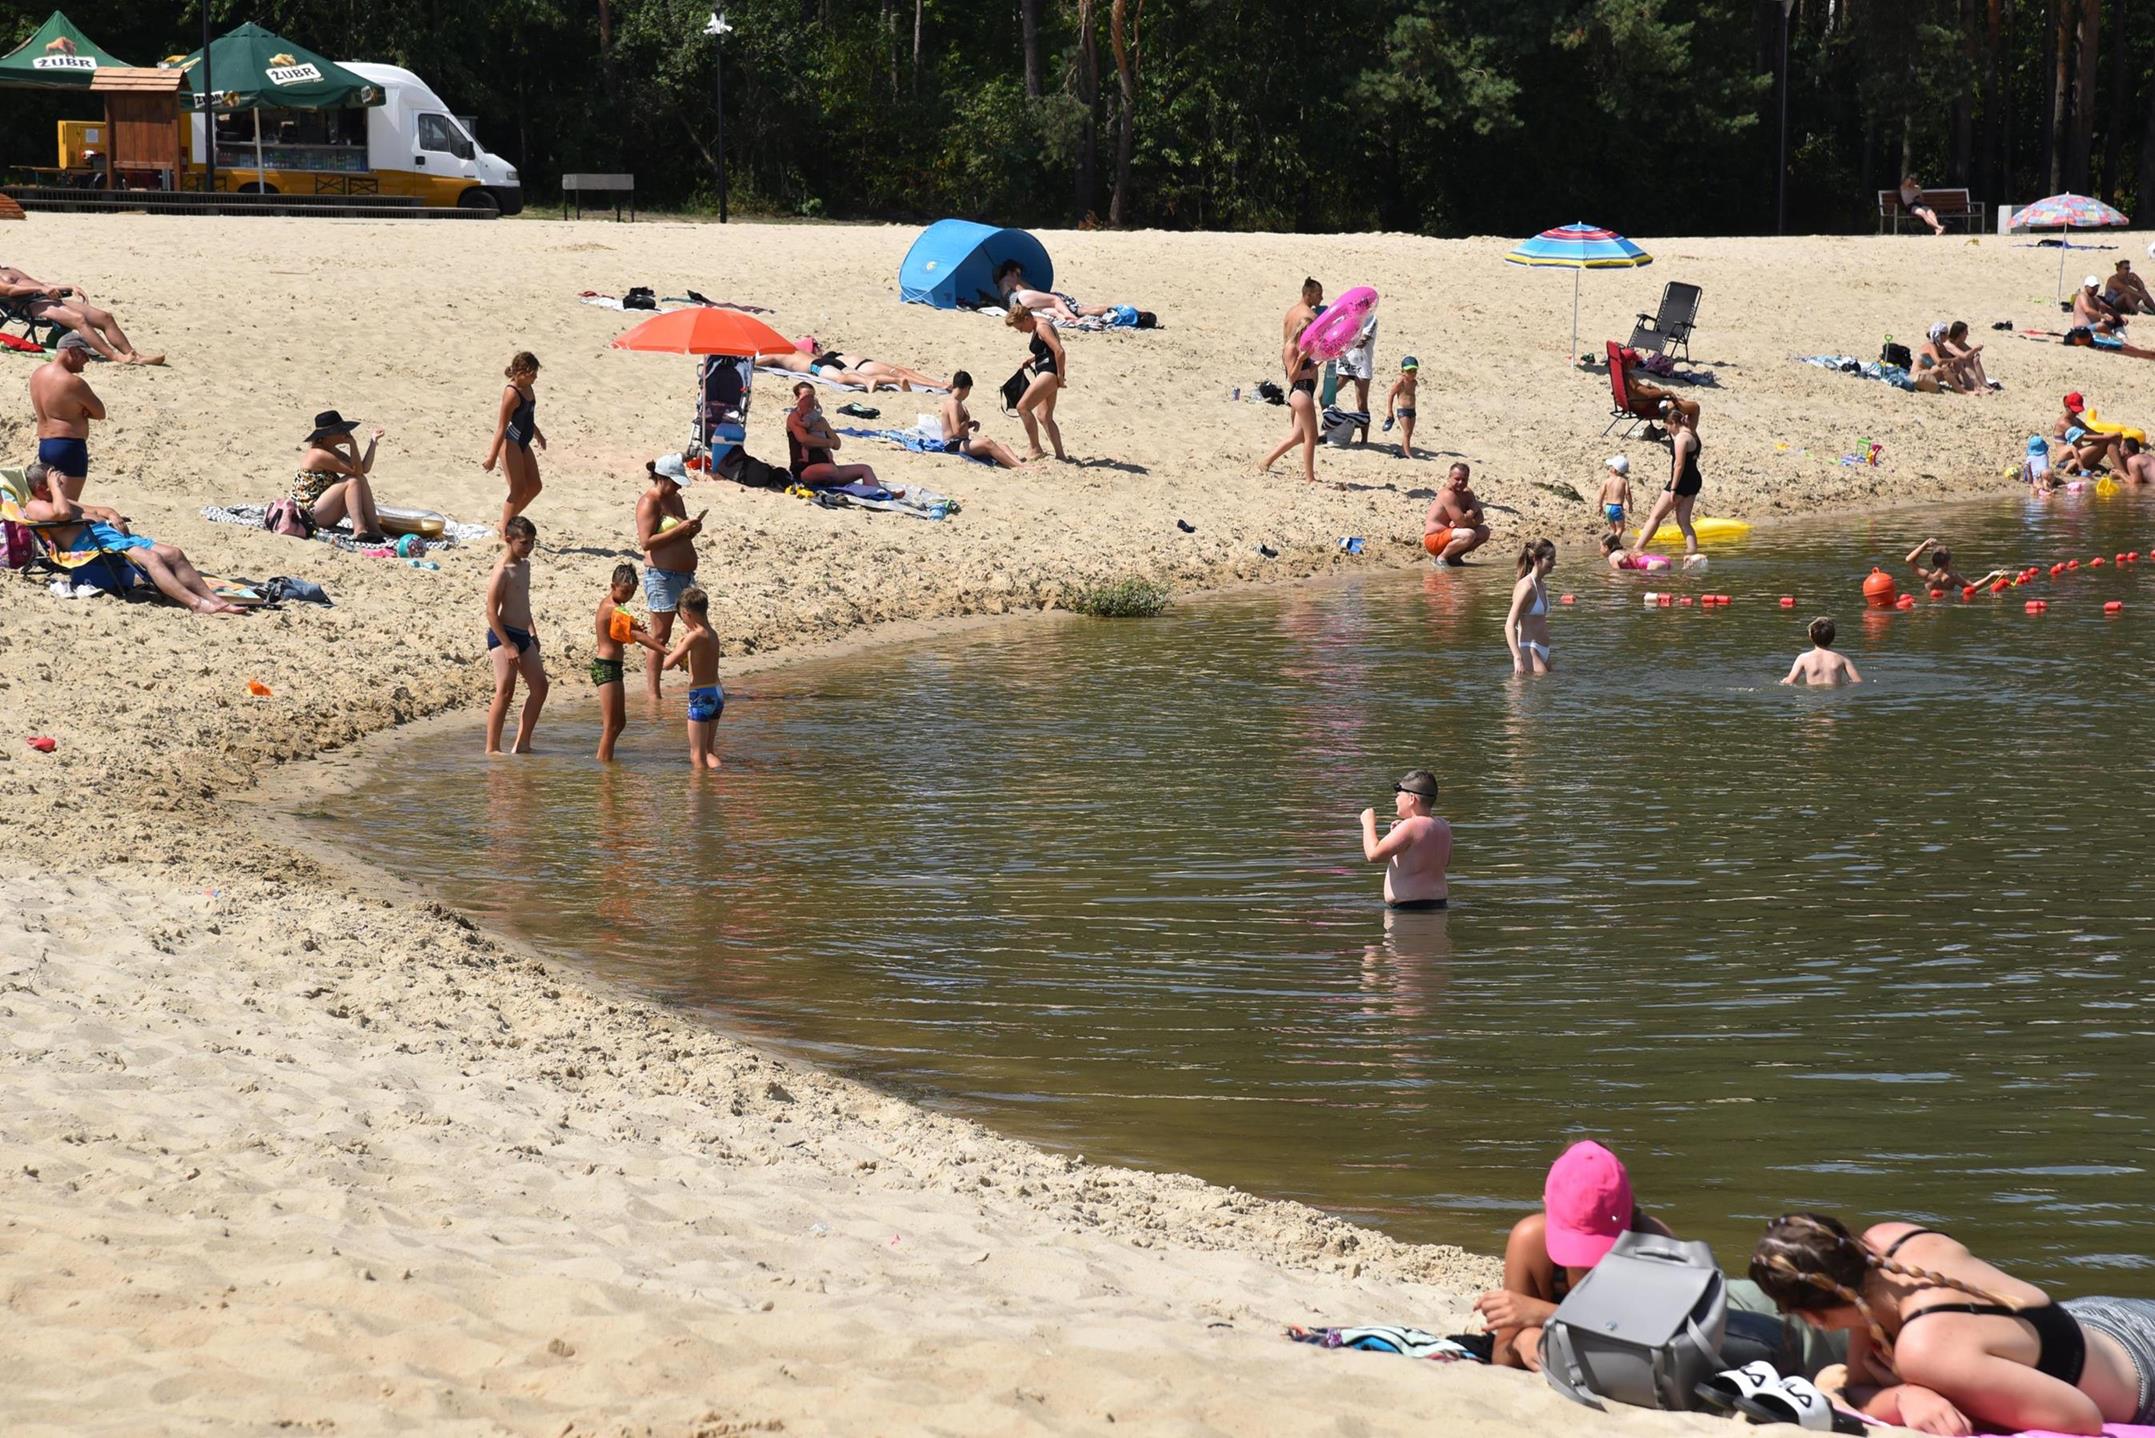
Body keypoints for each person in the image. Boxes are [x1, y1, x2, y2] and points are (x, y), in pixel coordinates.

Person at [1751, 1213, 2155, 1435]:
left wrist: (1927, 1390)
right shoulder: (1886, 1244)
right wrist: (1904, 1395)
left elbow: (2082, 1420)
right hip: (2107, 1317)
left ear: (1814, 1317)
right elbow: (1859, 1381)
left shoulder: (1925, 1350)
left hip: (2144, 1383)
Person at [1477, 1143, 1846, 1379]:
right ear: (1547, 1208)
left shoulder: (1654, 1242)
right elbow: (1502, 1358)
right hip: (1719, 1315)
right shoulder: (1531, 1241)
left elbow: (1659, 1343)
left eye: (1601, 1244)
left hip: (1747, 1312)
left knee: (1835, 1327)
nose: (1588, 1263)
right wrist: (1523, 1340)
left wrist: (1542, 1316)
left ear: (1629, 1215)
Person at [21, 460, 244, 615]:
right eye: (56, 481)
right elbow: (62, 514)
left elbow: (99, 510)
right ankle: (195, 603)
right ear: (42, 488)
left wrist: (113, 515)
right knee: (152, 558)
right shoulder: (35, 505)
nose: (61, 483)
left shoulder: (60, 499)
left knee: (174, 553)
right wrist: (56, 489)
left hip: (110, 536)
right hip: (92, 544)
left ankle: (215, 600)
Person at [636, 453, 705, 700]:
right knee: (660, 635)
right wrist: (679, 530)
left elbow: (681, 533)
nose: (678, 487)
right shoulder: (649, 501)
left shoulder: (676, 499)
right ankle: (654, 695)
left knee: (696, 628)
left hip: (685, 575)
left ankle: (699, 683)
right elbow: (646, 542)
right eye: (674, 482)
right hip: (662, 576)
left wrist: (691, 530)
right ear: (662, 478)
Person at [0, 263, 161, 364]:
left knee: (105, 317)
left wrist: (69, 286)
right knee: (79, 319)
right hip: (28, 305)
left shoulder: (10, 270)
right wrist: (41, 289)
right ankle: (114, 357)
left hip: (45, 298)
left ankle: (134, 355)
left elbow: (42, 283)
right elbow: (10, 290)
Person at [484, 516, 547, 754]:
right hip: (504, 636)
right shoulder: (503, 571)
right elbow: (491, 612)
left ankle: (523, 744)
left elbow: (524, 603)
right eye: (524, 543)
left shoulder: (525, 566)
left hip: (523, 634)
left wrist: (533, 632)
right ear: (508, 540)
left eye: (532, 542)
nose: (529, 547)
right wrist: (508, 645)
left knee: (540, 687)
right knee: (505, 691)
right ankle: (492, 748)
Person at [592, 562, 664, 762]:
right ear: (613, 586)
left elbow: (620, 634)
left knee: (620, 723)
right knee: (611, 725)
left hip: (614, 667)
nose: (628, 596)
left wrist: (632, 627)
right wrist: (666, 651)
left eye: (632, 592)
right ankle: (604, 769)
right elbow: (637, 636)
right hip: (605, 667)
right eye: (625, 592)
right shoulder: (613, 609)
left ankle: (606, 761)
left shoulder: (615, 607)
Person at [1260, 278, 1323, 484]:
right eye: (1318, 294)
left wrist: (1314, 363)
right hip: (1300, 387)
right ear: (1309, 294)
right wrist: (1301, 359)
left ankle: (1266, 461)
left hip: (1301, 378)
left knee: (1298, 436)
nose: (1321, 298)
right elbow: (1292, 375)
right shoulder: (1308, 316)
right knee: (1311, 436)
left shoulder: (1290, 313)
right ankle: (1310, 478)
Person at [292, 410, 388, 542]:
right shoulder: (318, 454)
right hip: (310, 515)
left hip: (324, 511)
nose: (345, 433)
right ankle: (359, 529)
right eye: (340, 430)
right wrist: (353, 444)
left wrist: (373, 441)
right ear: (327, 435)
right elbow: (355, 470)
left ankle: (374, 528)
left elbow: (363, 469)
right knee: (353, 481)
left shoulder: (332, 451)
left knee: (360, 479)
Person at [1359, 770, 1450, 908]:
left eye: (1398, 795)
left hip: (1408, 910)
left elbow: (1373, 855)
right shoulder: (1443, 826)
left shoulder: (1410, 826)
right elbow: (1444, 861)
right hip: (1439, 905)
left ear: (1411, 798)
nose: (1396, 800)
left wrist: (1368, 823)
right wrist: (1401, 835)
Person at [30, 333, 102, 501]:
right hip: (69, 446)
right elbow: (100, 413)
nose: (87, 360)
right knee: (67, 506)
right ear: (72, 351)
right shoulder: (73, 382)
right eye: (84, 354)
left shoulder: (37, 375)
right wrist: (83, 410)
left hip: (45, 444)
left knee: (51, 501)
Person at [483, 351, 545, 536]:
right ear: (520, 372)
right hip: (510, 442)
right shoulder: (512, 393)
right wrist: (492, 457)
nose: (535, 377)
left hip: (523, 441)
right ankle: (505, 532)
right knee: (518, 490)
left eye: (536, 373)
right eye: (532, 374)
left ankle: (505, 521)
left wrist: (538, 434)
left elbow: (527, 416)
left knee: (535, 486)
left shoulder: (528, 387)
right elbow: (502, 427)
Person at [663, 585, 724, 770]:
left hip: (700, 695)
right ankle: (720, 777)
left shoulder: (694, 637)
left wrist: (679, 646)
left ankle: (700, 787)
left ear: (687, 614)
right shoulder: (712, 634)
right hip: (717, 693)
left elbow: (667, 664)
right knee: (708, 751)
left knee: (696, 754)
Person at [784, 381, 885, 488]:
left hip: (826, 466)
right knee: (830, 470)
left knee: (865, 469)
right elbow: (804, 439)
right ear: (797, 399)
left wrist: (827, 429)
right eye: (806, 397)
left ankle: (877, 492)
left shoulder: (820, 420)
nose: (809, 400)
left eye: (812, 397)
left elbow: (837, 444)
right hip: (805, 469)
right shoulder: (795, 417)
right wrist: (828, 443)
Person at [1633, 406, 1703, 558]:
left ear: (1674, 423)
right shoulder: (1693, 433)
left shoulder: (1681, 438)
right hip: (1694, 480)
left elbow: (1679, 465)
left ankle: (1637, 549)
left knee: (1655, 516)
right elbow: (1695, 409)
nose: (1668, 431)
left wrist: (1673, 489)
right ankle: (1692, 554)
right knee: (1684, 522)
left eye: (1668, 427)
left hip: (1681, 482)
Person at [1005, 303, 1068, 462]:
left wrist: (1060, 376)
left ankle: (1035, 448)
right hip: (1047, 371)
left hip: (1049, 372)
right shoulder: (1039, 324)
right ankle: (1060, 455)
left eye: (1020, 327)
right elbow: (1047, 350)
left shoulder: (1041, 327)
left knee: (1022, 407)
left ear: (1027, 319)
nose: (1021, 331)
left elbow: (1059, 351)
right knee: (1044, 416)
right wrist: (1032, 359)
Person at [769, 338, 947, 392]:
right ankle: (938, 384)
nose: (820, 347)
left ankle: (885, 381)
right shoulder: (803, 353)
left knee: (843, 378)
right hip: (849, 363)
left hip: (825, 365)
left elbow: (760, 361)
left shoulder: (786, 354)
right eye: (816, 345)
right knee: (900, 371)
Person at [939, 372, 1025, 468]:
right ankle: (1017, 466)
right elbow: (957, 431)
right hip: (954, 445)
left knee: (1003, 447)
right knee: (987, 442)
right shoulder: (953, 404)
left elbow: (957, 426)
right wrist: (967, 419)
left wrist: (971, 424)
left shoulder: (957, 402)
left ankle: (1021, 464)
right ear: (966, 388)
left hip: (962, 442)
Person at [993, 261, 1113, 323]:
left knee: (1052, 311)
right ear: (1009, 271)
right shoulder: (1008, 278)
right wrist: (1022, 283)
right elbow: (1023, 291)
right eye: (1017, 273)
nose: (1018, 276)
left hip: (1015, 305)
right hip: (1019, 298)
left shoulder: (1001, 285)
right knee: (1056, 300)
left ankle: (1069, 320)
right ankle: (1071, 316)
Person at [1504, 539, 1556, 675]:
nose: (1554, 563)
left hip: (1544, 650)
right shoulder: (1526, 587)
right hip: (1530, 649)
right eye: (1550, 559)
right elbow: (1509, 625)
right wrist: (1517, 657)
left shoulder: (1542, 585)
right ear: (1536, 559)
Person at [1423, 463, 1491, 564]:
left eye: (1464, 479)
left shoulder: (1467, 493)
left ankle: (1454, 556)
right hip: (1434, 539)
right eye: (1457, 479)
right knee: (1469, 534)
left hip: (1453, 534)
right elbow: (1462, 524)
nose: (1460, 482)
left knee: (1484, 531)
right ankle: (1441, 557)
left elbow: (1480, 518)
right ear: (1449, 478)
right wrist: (1472, 512)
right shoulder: (1447, 494)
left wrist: (1467, 517)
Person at [2053, 392, 2123, 472]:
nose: (2076, 413)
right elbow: (2083, 438)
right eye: (2073, 410)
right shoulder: (2063, 423)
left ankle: (2121, 469)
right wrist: (2109, 436)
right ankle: (2122, 471)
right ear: (2067, 406)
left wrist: (2115, 435)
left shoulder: (2076, 420)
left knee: (2109, 440)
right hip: (2066, 461)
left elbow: (2093, 433)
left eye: (2077, 411)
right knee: (2106, 440)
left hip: (2077, 456)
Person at [1782, 616, 1862, 686]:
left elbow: (1790, 682)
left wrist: (1785, 680)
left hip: (1813, 696)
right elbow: (1858, 681)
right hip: (1835, 696)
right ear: (1833, 637)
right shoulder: (1842, 658)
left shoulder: (1803, 658)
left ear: (1811, 637)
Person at [1905, 538, 2009, 592]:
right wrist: (1991, 575)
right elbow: (1973, 587)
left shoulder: (1928, 576)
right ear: (1949, 562)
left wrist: (1925, 544)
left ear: (1933, 561)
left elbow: (1909, 560)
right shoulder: (1953, 577)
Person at [1336, 318, 1377, 442]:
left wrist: (1342, 341)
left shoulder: (1371, 318)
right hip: (1344, 364)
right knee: (1324, 396)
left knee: (1362, 404)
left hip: (1361, 365)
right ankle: (1333, 428)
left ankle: (1364, 440)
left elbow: (1362, 342)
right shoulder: (1343, 316)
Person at [1920, 323, 1979, 394]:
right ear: (1939, 334)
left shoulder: (1940, 345)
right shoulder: (1931, 345)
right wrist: (1953, 360)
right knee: (1944, 368)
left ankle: (1972, 386)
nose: (1947, 336)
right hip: (1919, 375)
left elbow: (1949, 359)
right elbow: (1938, 361)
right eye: (1946, 334)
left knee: (1957, 364)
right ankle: (1964, 392)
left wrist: (1954, 362)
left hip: (1929, 374)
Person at [1942, 321, 1995, 392]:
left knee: (1975, 359)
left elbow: (1971, 352)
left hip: (1957, 367)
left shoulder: (1959, 342)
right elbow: (1964, 356)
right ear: (1960, 333)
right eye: (1966, 332)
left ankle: (1984, 384)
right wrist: (1976, 349)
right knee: (1963, 362)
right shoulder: (1948, 344)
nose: (1967, 334)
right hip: (1948, 369)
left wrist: (1975, 354)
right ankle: (1977, 385)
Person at [1384, 355, 1419, 459]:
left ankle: (1404, 450)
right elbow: (1391, 395)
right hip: (1403, 410)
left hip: (1412, 410)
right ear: (1403, 371)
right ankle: (1408, 454)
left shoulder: (1414, 382)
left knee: (1409, 432)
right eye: (1409, 371)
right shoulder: (1401, 382)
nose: (1412, 373)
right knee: (1406, 431)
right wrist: (1389, 411)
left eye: (1414, 371)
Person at [1595, 455, 1630, 538]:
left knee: (1613, 530)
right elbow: (1627, 494)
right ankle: (1612, 544)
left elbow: (1601, 494)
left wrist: (1600, 506)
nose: (1609, 469)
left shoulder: (1607, 481)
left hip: (1608, 507)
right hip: (1617, 507)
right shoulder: (1624, 481)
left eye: (1610, 467)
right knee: (1620, 529)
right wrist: (1630, 505)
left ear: (1614, 470)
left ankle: (1608, 543)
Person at [1601, 532, 1669, 570]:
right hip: (1663, 560)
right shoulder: (1625, 551)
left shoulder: (1612, 556)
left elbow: (1617, 574)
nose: (1600, 549)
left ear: (1606, 547)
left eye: (1601, 547)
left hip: (1652, 564)